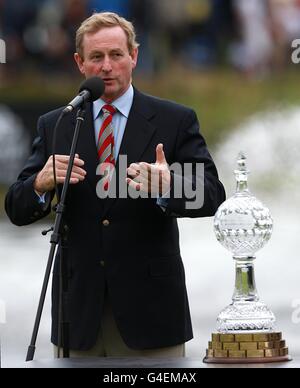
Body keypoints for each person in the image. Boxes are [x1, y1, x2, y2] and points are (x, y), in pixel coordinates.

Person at [5, 12, 225, 358]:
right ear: (80, 63)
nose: (106, 66)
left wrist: (169, 184)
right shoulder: (57, 124)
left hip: (151, 315)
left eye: (116, 55)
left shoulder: (175, 119)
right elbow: (16, 208)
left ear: (134, 57)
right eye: (96, 57)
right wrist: (39, 183)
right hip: (77, 319)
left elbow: (212, 194)